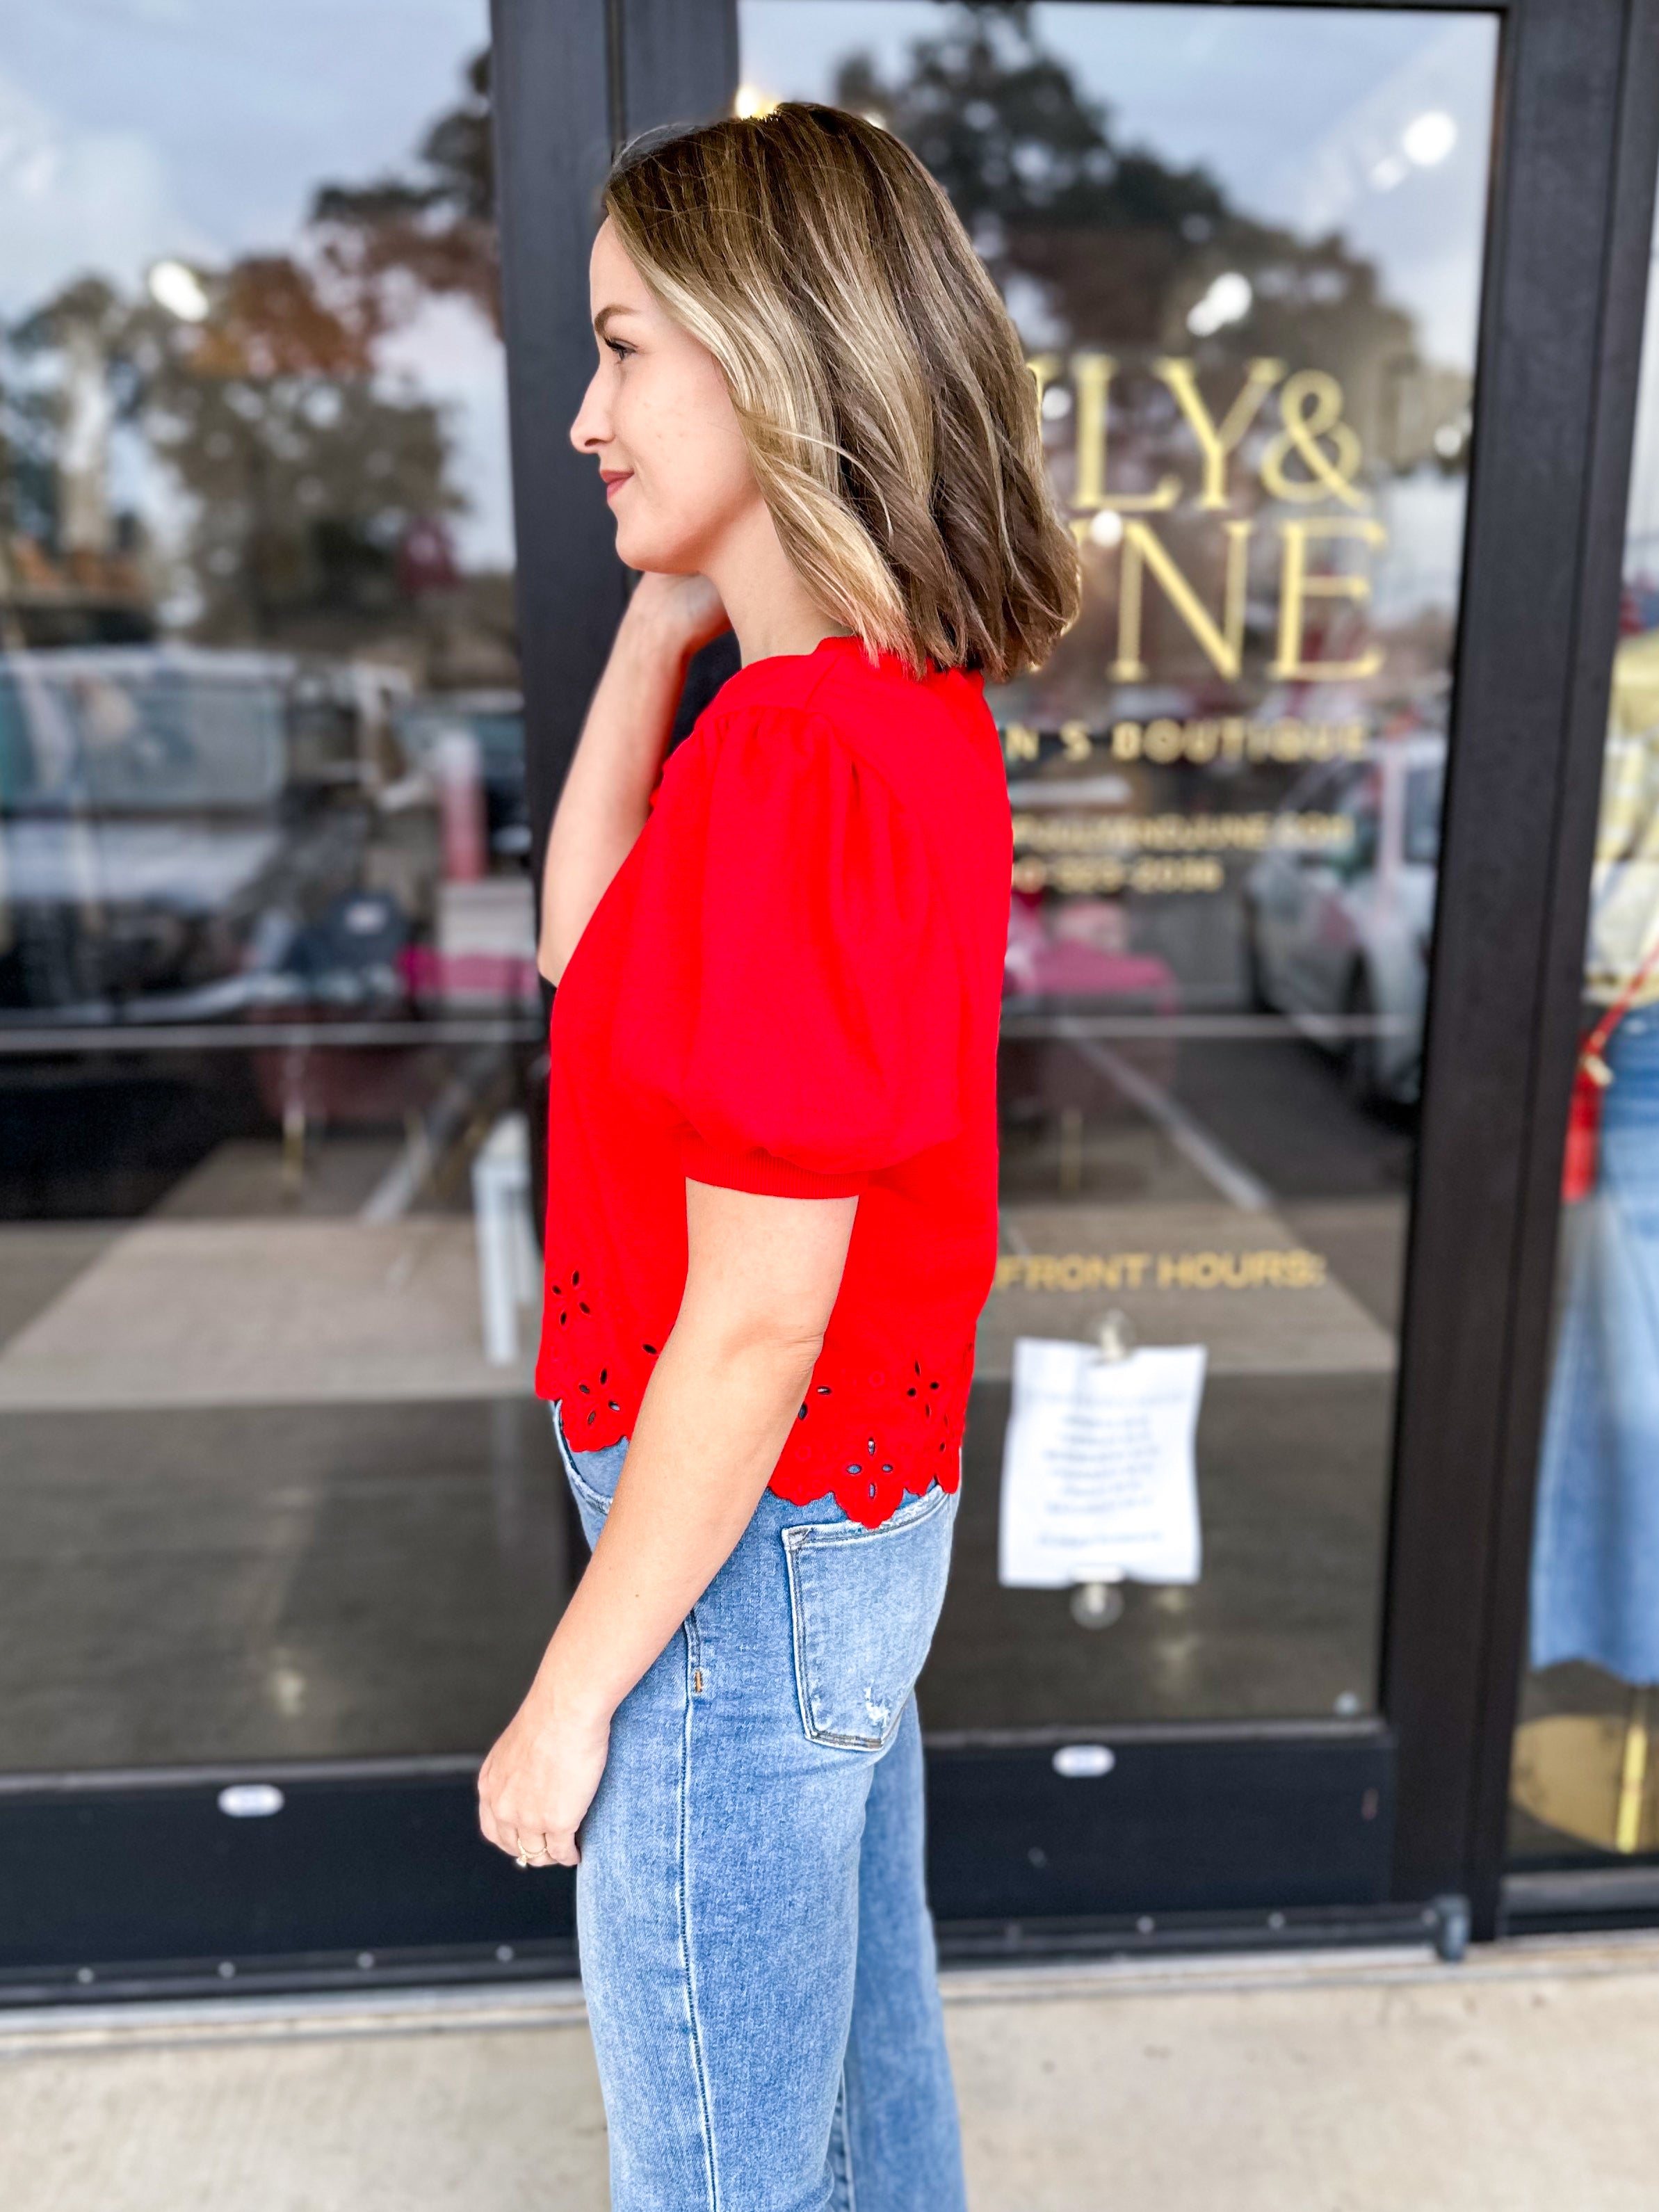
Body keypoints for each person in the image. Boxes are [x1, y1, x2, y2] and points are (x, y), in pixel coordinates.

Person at [477, 104, 1078, 2211]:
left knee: (725, 2167)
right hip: (800, 1541)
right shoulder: (842, 713)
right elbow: (590, 958)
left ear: (776, 353)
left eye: (626, 348)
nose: (583, 415)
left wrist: (567, 1702)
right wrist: (663, 627)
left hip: (733, 1564)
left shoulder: (812, 765)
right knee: (850, 2102)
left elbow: (749, 1327)